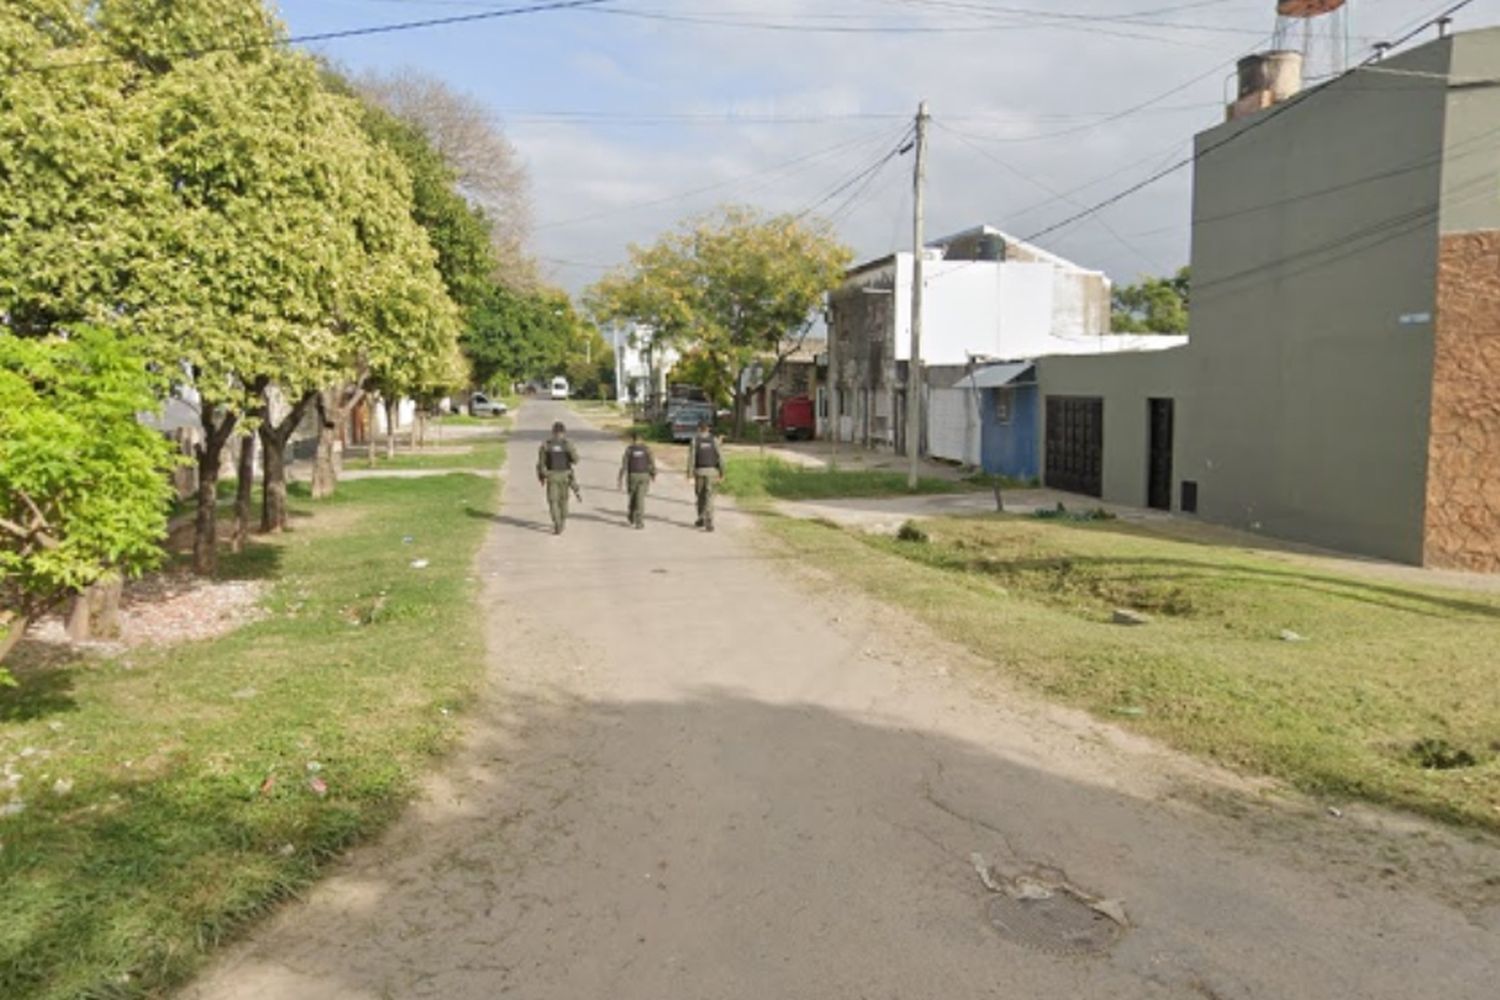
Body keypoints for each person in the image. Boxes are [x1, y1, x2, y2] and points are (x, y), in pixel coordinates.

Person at [536, 421, 580, 534]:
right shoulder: (567, 444)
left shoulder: (546, 445)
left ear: (553, 432)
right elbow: (576, 460)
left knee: (553, 501)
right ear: (564, 432)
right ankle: (562, 521)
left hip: (552, 476)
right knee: (563, 500)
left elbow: (541, 464)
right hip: (565, 475)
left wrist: (542, 476)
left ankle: (557, 523)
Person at [685, 418, 723, 532]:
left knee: (700, 496)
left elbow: (691, 458)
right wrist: (722, 472)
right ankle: (709, 520)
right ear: (708, 428)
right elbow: (720, 457)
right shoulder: (714, 440)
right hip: (712, 472)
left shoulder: (695, 441)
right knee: (709, 496)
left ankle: (701, 518)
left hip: (699, 472)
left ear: (698, 429)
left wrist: (689, 474)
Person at [617, 431, 657, 529]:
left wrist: (620, 478)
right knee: (640, 499)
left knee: (633, 497)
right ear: (642, 439)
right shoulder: (647, 449)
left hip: (632, 476)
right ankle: (638, 521)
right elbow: (651, 463)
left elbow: (624, 464)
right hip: (644, 476)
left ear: (632, 439)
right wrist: (653, 474)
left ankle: (632, 516)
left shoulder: (629, 450)